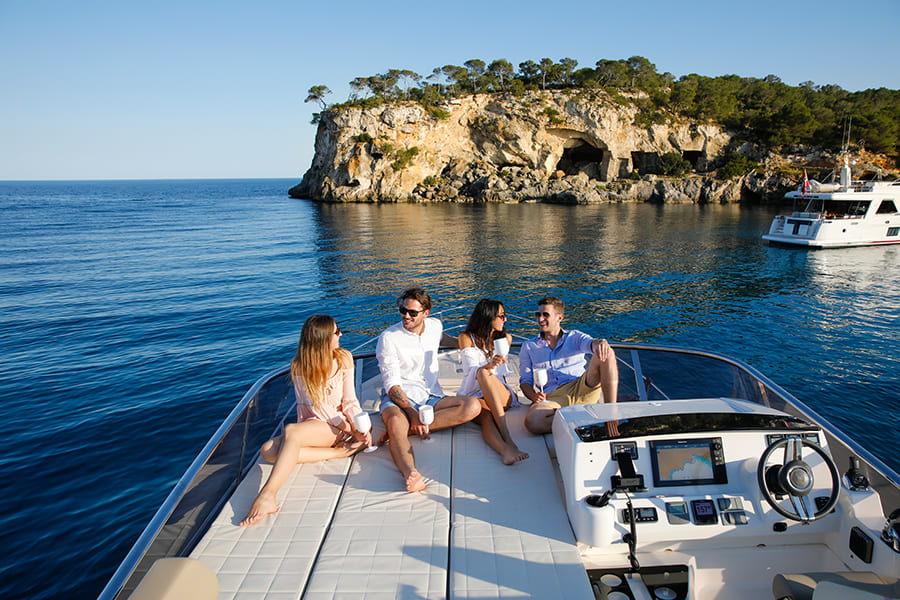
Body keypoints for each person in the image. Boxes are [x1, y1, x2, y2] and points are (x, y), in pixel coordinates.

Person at [240, 315, 371, 526]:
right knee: (267, 451)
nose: (341, 335)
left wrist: (355, 426)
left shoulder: (344, 358)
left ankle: (267, 494)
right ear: (322, 338)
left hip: (335, 426)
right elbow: (318, 407)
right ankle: (337, 452)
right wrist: (349, 429)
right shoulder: (300, 365)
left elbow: (349, 401)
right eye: (336, 332)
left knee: (292, 431)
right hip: (316, 425)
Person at [377, 287, 481, 492]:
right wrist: (411, 412)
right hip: (400, 397)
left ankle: (402, 432)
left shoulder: (434, 325)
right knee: (396, 419)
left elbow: (441, 339)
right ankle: (410, 472)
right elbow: (391, 385)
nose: (406, 316)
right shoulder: (388, 337)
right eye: (403, 310)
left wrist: (468, 344)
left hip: (431, 394)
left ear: (426, 313)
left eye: (412, 313)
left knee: (472, 406)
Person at [520, 296, 619, 436]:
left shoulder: (574, 337)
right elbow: (525, 381)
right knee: (533, 422)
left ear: (559, 318)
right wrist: (533, 396)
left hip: (581, 387)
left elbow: (592, 344)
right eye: (538, 315)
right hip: (553, 396)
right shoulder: (529, 347)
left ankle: (611, 414)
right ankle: (584, 420)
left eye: (545, 315)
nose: (540, 319)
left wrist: (601, 342)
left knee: (606, 352)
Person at [458, 298, 529, 465]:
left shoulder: (506, 338)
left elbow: (490, 374)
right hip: (476, 395)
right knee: (485, 418)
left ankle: (507, 438)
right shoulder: (466, 338)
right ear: (488, 316)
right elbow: (470, 371)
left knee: (484, 373)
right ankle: (505, 451)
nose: (505, 320)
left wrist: (488, 368)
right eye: (501, 316)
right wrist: (489, 364)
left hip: (501, 393)